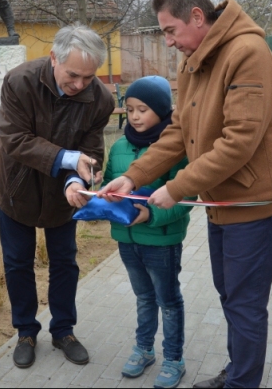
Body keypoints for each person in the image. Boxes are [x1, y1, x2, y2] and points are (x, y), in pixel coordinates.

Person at [101, 0, 272, 388]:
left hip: (252, 203)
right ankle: (238, 371)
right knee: (230, 295)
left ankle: (243, 382)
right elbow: (176, 133)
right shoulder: (194, 60)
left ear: (197, 17)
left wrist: (177, 188)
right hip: (221, 200)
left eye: (170, 31)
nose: (168, 42)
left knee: (244, 303)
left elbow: (239, 141)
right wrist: (134, 175)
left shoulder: (248, 54)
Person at [0, 23, 115, 369]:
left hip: (62, 198)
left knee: (65, 263)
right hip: (17, 189)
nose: (80, 86)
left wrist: (77, 182)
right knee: (18, 264)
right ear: (53, 59)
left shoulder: (100, 100)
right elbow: (15, 140)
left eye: (89, 78)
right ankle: (26, 332)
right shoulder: (20, 82)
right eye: (73, 75)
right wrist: (69, 158)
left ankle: (63, 330)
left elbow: (90, 153)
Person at [97, 76, 194, 388]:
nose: (135, 116)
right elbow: (111, 182)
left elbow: (187, 196)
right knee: (143, 297)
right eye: (131, 109)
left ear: (163, 111)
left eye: (143, 109)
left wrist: (151, 214)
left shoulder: (175, 148)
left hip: (161, 240)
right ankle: (144, 349)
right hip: (127, 239)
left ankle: (174, 358)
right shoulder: (120, 146)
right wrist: (104, 197)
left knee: (168, 300)